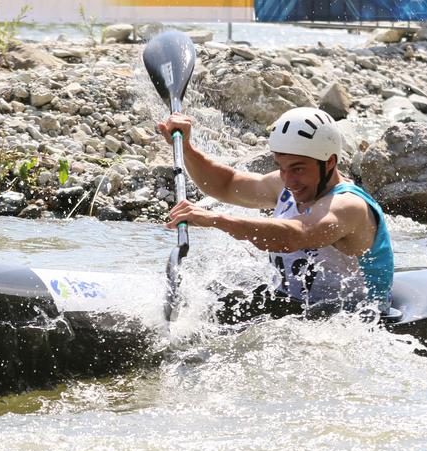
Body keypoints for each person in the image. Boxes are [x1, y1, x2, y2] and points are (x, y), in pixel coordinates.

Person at [158, 107, 394, 324]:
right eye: (282, 167)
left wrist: (215, 220)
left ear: (330, 162)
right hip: (294, 310)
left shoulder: (348, 206)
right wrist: (187, 149)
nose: (289, 181)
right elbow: (227, 185)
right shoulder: (285, 184)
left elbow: (294, 236)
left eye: (298, 169)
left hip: (354, 319)